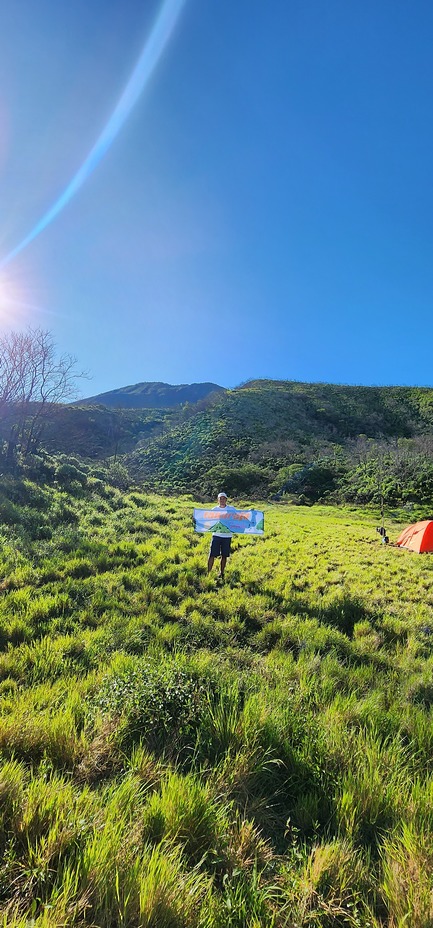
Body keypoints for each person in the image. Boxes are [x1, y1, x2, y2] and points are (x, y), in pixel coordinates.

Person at [207, 492, 236, 580]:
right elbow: (208, 519)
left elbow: (239, 517)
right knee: (212, 554)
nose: (222, 500)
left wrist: (251, 513)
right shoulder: (214, 509)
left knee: (224, 555)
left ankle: (222, 573)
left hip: (227, 536)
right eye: (220, 498)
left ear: (226, 500)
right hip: (216, 535)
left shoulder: (232, 509)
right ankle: (208, 573)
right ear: (218, 500)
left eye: (224, 498)